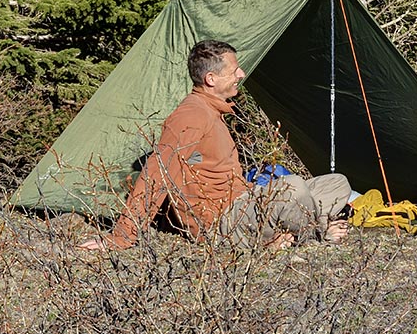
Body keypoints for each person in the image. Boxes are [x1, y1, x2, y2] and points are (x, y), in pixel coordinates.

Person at [80, 39, 351, 251]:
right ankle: (317, 233)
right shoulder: (191, 115)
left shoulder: (211, 110)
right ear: (211, 79)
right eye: (234, 71)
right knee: (293, 187)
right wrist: (121, 237)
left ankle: (287, 233)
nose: (241, 74)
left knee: (336, 183)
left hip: (243, 202)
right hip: (223, 223)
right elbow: (157, 174)